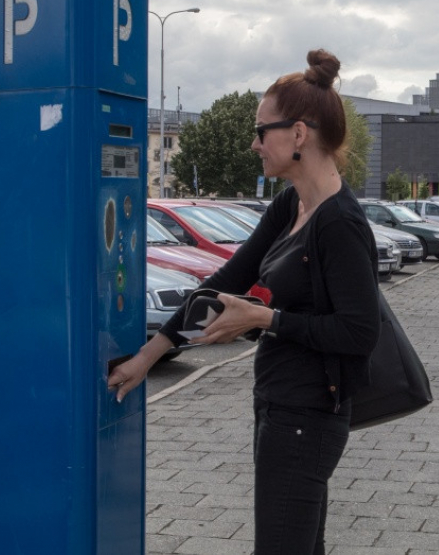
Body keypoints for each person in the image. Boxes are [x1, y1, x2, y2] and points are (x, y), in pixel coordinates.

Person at [109, 49, 381, 555]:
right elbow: (226, 278)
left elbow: (360, 332)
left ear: (298, 134)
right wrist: (149, 356)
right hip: (280, 407)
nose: (254, 143)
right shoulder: (292, 204)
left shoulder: (339, 222)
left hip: (310, 414)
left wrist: (265, 318)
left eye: (262, 131)